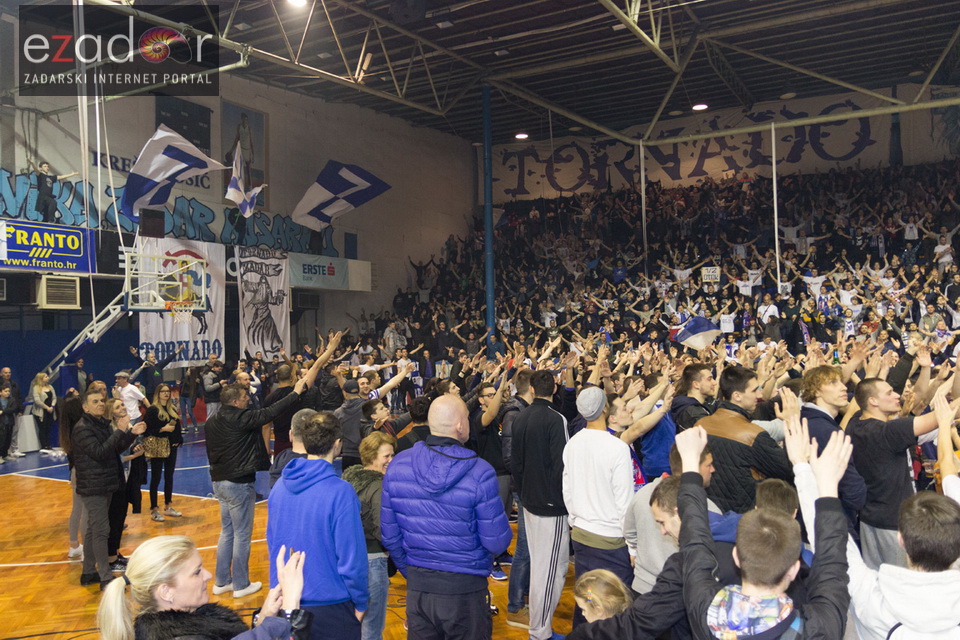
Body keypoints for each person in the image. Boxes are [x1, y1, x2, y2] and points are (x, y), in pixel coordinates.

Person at [675, 424, 851, 639]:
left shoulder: (704, 608)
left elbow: (694, 535)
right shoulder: (820, 627)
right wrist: (827, 486)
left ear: (736, 557)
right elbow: (832, 564)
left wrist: (691, 464)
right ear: (794, 569)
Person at [381, 395, 512, 640]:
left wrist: (414, 572)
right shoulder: (480, 471)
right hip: (465, 588)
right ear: (460, 425)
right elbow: (497, 542)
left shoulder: (398, 465)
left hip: (419, 588)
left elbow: (390, 536)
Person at [205, 355, 321, 599]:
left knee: (226, 532)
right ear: (236, 401)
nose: (249, 400)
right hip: (238, 482)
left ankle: (221, 582)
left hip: (218, 481)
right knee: (242, 535)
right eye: (245, 397)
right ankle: (240, 584)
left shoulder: (212, 421)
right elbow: (271, 411)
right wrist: (296, 393)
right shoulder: (241, 418)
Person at [268, 412, 368, 640]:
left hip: (286, 601)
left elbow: (273, 544)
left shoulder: (280, 487)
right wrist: (361, 601)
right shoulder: (340, 492)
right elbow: (352, 558)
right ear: (337, 444)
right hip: (331, 606)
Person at [98, 535, 311, 640]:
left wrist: (263, 620)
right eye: (197, 572)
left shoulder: (194, 622)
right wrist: (291, 609)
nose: (208, 576)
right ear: (166, 591)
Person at [846, 378, 943, 569]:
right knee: (901, 581)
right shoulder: (887, 432)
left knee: (876, 580)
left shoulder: (855, 423)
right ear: (873, 401)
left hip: (869, 518)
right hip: (894, 524)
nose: (897, 395)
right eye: (889, 393)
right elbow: (939, 417)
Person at [562, 386, 634, 628]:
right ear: (605, 408)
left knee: (588, 595)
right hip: (611, 541)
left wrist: (575, 522)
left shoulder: (573, 443)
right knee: (614, 604)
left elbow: (567, 489)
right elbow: (624, 502)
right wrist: (633, 546)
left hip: (582, 536)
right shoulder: (617, 447)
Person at [509, 369, 570, 640]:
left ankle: (539, 628)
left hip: (529, 501)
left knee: (541, 568)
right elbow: (562, 467)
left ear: (532, 389)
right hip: (551, 506)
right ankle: (540, 632)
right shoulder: (557, 419)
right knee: (551, 572)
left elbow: (516, 464)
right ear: (554, 389)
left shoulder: (521, 417)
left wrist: (522, 495)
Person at [693, 366, 794, 513]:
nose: (759, 395)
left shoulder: (700, 425)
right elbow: (791, 471)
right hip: (744, 519)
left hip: (709, 512)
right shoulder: (753, 435)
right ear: (737, 396)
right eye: (754, 390)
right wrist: (792, 425)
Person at [73, 388, 146, 588]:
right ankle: (105, 577)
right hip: (94, 486)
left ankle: (88, 572)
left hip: (104, 483)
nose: (99, 404)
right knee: (101, 531)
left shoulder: (100, 424)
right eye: (94, 401)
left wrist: (131, 434)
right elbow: (101, 452)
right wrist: (122, 430)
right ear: (85, 407)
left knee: (92, 531)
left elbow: (115, 448)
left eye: (101, 401)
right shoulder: (82, 428)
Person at [799, 365, 866, 535]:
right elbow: (853, 489)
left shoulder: (807, 420)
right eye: (833, 382)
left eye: (841, 382)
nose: (844, 387)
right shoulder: (826, 430)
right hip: (834, 522)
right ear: (816, 391)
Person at [343, 431, 397, 640]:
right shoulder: (379, 486)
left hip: (350, 559)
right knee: (373, 627)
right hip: (373, 560)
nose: (391, 461)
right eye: (387, 456)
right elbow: (382, 530)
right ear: (372, 456)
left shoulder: (348, 479)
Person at [143, 384, 184, 523]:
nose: (166, 394)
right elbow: (147, 429)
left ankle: (168, 506)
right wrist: (162, 429)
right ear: (157, 393)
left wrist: (178, 440)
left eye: (167, 391)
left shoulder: (172, 408)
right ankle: (154, 509)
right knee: (156, 477)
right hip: (158, 446)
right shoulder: (153, 410)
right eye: (163, 391)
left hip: (171, 446)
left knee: (169, 476)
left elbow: (177, 426)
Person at [27, 158, 78, 223]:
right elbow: (36, 170)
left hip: (49, 196)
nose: (47, 168)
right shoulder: (40, 175)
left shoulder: (51, 178)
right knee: (53, 202)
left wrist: (72, 174)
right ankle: (51, 219)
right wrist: (32, 163)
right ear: (41, 168)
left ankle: (45, 223)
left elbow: (61, 177)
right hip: (43, 196)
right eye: (45, 166)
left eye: (47, 166)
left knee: (46, 213)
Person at [670, 363, 717, 432]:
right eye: (709, 379)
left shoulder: (698, 404)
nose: (714, 382)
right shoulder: (693, 414)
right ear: (696, 384)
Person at [28, 371, 57, 453]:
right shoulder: (36, 388)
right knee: (42, 428)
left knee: (48, 428)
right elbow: (37, 401)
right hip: (41, 411)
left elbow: (54, 398)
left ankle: (48, 444)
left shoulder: (50, 387)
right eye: (46, 376)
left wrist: (52, 406)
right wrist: (47, 407)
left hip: (50, 411)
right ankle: (44, 445)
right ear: (41, 378)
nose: (48, 378)